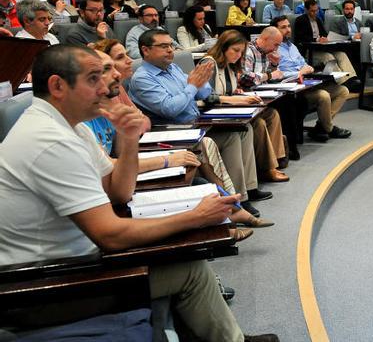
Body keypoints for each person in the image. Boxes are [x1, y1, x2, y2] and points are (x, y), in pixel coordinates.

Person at [0, 45, 279, 342]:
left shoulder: (70, 128)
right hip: (43, 287)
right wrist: (195, 217)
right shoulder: (51, 141)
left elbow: (119, 193)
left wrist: (129, 139)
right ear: (57, 86)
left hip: (67, 264)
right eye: (93, 78)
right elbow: (111, 235)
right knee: (188, 270)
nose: (106, 85)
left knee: (185, 260)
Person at [127, 29, 271, 217]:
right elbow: (170, 109)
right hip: (176, 133)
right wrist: (193, 84)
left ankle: (248, 189)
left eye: (171, 45)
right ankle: (239, 199)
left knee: (243, 130)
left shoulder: (173, 68)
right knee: (233, 138)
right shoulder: (142, 78)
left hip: (196, 125)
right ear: (145, 50)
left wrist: (200, 81)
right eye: (163, 46)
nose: (170, 50)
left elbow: (204, 94)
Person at [202, 30, 289, 183]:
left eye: (241, 52)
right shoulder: (209, 63)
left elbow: (230, 89)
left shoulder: (230, 65)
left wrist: (237, 93)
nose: (238, 55)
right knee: (259, 124)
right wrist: (235, 100)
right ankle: (267, 169)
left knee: (271, 113)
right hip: (214, 115)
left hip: (228, 109)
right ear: (223, 47)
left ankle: (275, 161)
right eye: (235, 51)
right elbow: (207, 97)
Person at [271, 15, 351, 141]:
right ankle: (328, 129)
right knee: (323, 95)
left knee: (342, 91)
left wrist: (309, 69)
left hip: (307, 83)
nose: (288, 30)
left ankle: (321, 127)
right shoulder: (273, 48)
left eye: (289, 26)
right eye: (283, 27)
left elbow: (304, 64)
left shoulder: (292, 46)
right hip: (293, 90)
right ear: (274, 30)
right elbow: (277, 74)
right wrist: (299, 73)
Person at [292, 0, 360, 89]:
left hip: (320, 48)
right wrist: (316, 40)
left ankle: (352, 78)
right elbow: (301, 38)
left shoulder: (318, 20)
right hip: (309, 52)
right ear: (306, 10)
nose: (315, 13)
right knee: (328, 57)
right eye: (312, 11)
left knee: (341, 54)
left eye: (317, 10)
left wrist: (325, 38)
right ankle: (343, 81)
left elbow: (324, 34)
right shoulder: (300, 20)